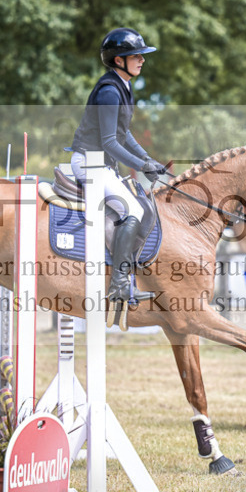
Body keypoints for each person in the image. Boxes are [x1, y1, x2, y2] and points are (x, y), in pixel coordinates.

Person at [69, 27, 167, 301]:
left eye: (141, 55)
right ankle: (120, 284)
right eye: (136, 56)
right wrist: (142, 166)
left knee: (138, 205)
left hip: (102, 164)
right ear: (118, 60)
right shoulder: (110, 92)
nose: (142, 60)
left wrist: (147, 159)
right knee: (132, 209)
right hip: (89, 163)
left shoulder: (123, 86)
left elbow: (124, 134)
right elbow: (110, 142)